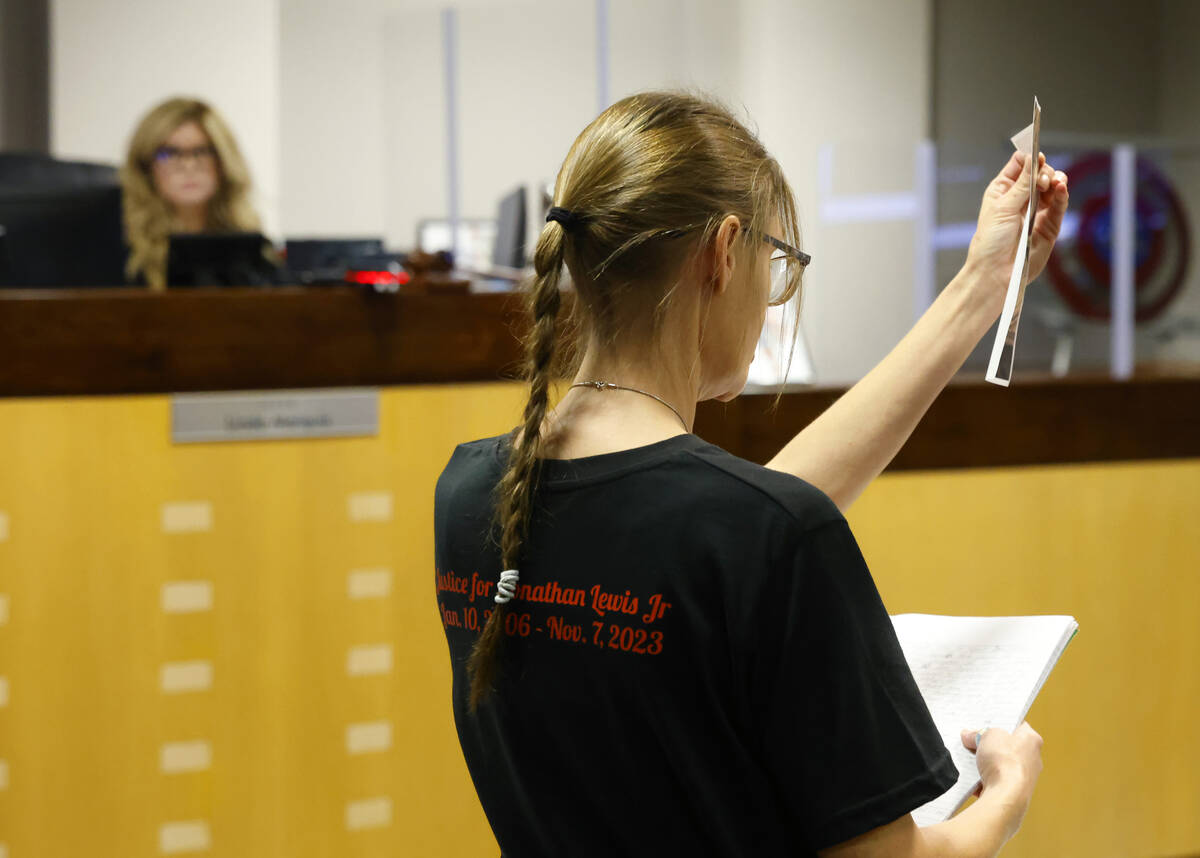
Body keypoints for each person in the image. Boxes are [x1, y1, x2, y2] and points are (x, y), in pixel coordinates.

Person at [434, 91, 1069, 857]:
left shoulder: (472, 494)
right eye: (776, 262)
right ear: (725, 250)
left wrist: (978, 287)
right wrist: (1004, 796)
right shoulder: (755, 534)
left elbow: (725, 539)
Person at [119, 97, 262, 290]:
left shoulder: (246, 242)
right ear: (146, 167)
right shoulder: (121, 246)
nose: (188, 165)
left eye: (202, 151)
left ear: (224, 162)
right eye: (169, 153)